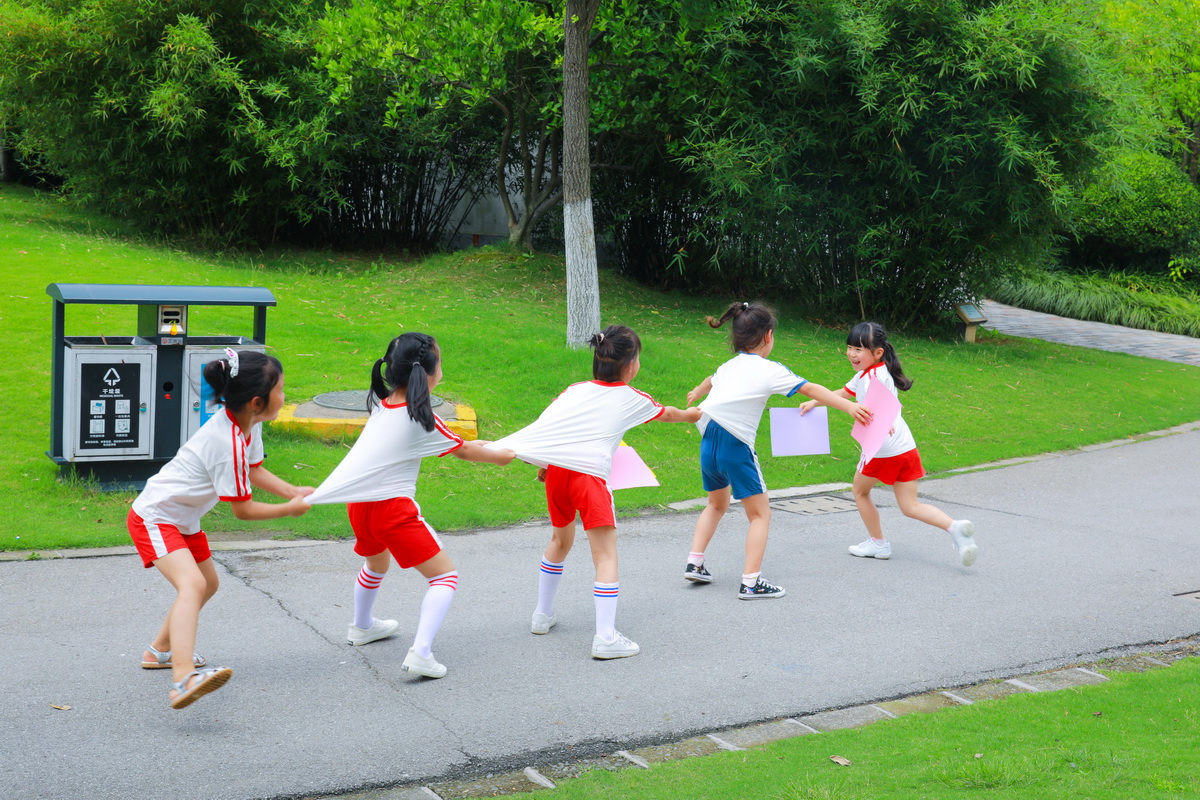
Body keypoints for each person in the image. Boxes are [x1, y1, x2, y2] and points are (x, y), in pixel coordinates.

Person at [303, 332, 516, 679]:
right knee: (444, 577)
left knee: (376, 563)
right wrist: (504, 456)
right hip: (392, 509)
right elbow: (465, 451)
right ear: (428, 373)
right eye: (441, 362)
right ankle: (421, 653)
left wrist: (483, 445)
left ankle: (362, 626)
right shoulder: (421, 416)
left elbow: (456, 442)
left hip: (361, 506)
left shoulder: (384, 405)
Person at [489, 325, 701, 660]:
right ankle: (605, 638)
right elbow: (671, 414)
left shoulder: (573, 390)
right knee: (605, 555)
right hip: (589, 480)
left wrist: (546, 462)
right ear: (630, 365)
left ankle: (542, 615)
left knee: (560, 541)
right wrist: (694, 416)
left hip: (558, 475)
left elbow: (549, 428)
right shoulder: (633, 399)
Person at [128, 348, 313, 709]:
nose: (285, 396)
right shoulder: (225, 441)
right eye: (281, 390)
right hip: (155, 517)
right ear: (258, 402)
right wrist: (287, 510)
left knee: (207, 584)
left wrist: (293, 491)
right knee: (193, 585)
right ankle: (183, 678)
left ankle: (158, 651)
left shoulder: (245, 423)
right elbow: (242, 511)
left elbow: (254, 470)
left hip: (181, 519)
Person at [684, 302, 873, 599]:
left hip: (708, 439)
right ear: (768, 336)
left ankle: (695, 562)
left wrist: (698, 390)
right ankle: (751, 582)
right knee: (760, 514)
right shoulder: (770, 370)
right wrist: (849, 405)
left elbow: (712, 379)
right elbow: (810, 389)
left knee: (715, 504)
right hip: (735, 443)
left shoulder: (728, 366)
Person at [800, 321, 978, 566]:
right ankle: (954, 527)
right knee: (910, 505)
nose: (852, 353)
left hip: (881, 449)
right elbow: (843, 393)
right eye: (850, 347)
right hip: (905, 447)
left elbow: (878, 407)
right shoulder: (873, 371)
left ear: (877, 352)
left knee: (860, 491)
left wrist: (881, 420)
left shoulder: (875, 377)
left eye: (859, 349)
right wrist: (813, 403)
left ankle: (878, 543)